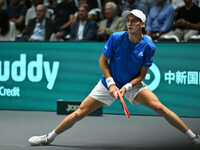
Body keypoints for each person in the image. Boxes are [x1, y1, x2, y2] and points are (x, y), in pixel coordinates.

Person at [28, 9, 200, 146]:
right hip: (108, 83)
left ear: (142, 24)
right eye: (128, 20)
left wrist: (127, 87)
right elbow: (103, 61)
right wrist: (110, 84)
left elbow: (141, 75)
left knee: (159, 107)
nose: (129, 23)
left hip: (131, 85)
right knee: (80, 112)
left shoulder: (149, 46)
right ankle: (48, 138)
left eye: (134, 21)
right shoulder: (116, 38)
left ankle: (193, 137)